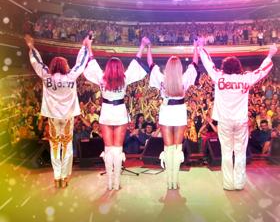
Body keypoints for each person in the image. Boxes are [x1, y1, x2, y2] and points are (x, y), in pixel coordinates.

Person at [197, 41, 277, 190]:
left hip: (224, 122)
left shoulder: (218, 77)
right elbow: (261, 71)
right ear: (239, 67)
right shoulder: (245, 78)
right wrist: (270, 54)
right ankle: (239, 184)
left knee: (226, 153)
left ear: (224, 67)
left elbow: (208, 63)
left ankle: (228, 184)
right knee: (240, 153)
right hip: (240, 121)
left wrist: (201, 48)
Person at [24, 34, 93, 188]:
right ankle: (65, 176)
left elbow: (37, 63)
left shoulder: (47, 77)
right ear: (63, 66)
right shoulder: (70, 77)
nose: (69, 66)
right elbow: (81, 63)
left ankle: (57, 177)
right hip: (67, 118)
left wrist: (31, 47)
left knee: (55, 146)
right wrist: (84, 46)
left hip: (53, 118)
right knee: (67, 146)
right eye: (67, 64)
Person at [83, 37, 150, 190]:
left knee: (108, 148)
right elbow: (136, 61)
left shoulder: (102, 78)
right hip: (120, 113)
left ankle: (109, 183)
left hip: (106, 113)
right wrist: (142, 45)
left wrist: (89, 46)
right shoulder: (124, 79)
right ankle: (116, 182)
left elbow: (92, 62)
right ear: (120, 68)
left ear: (107, 68)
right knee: (117, 148)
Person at [148, 42, 199, 189]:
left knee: (168, 147)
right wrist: (195, 48)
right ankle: (175, 181)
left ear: (168, 67)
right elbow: (195, 63)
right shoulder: (184, 78)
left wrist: (149, 48)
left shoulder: (162, 78)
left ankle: (169, 181)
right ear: (180, 68)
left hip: (166, 111)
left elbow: (151, 64)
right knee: (177, 148)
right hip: (180, 112)